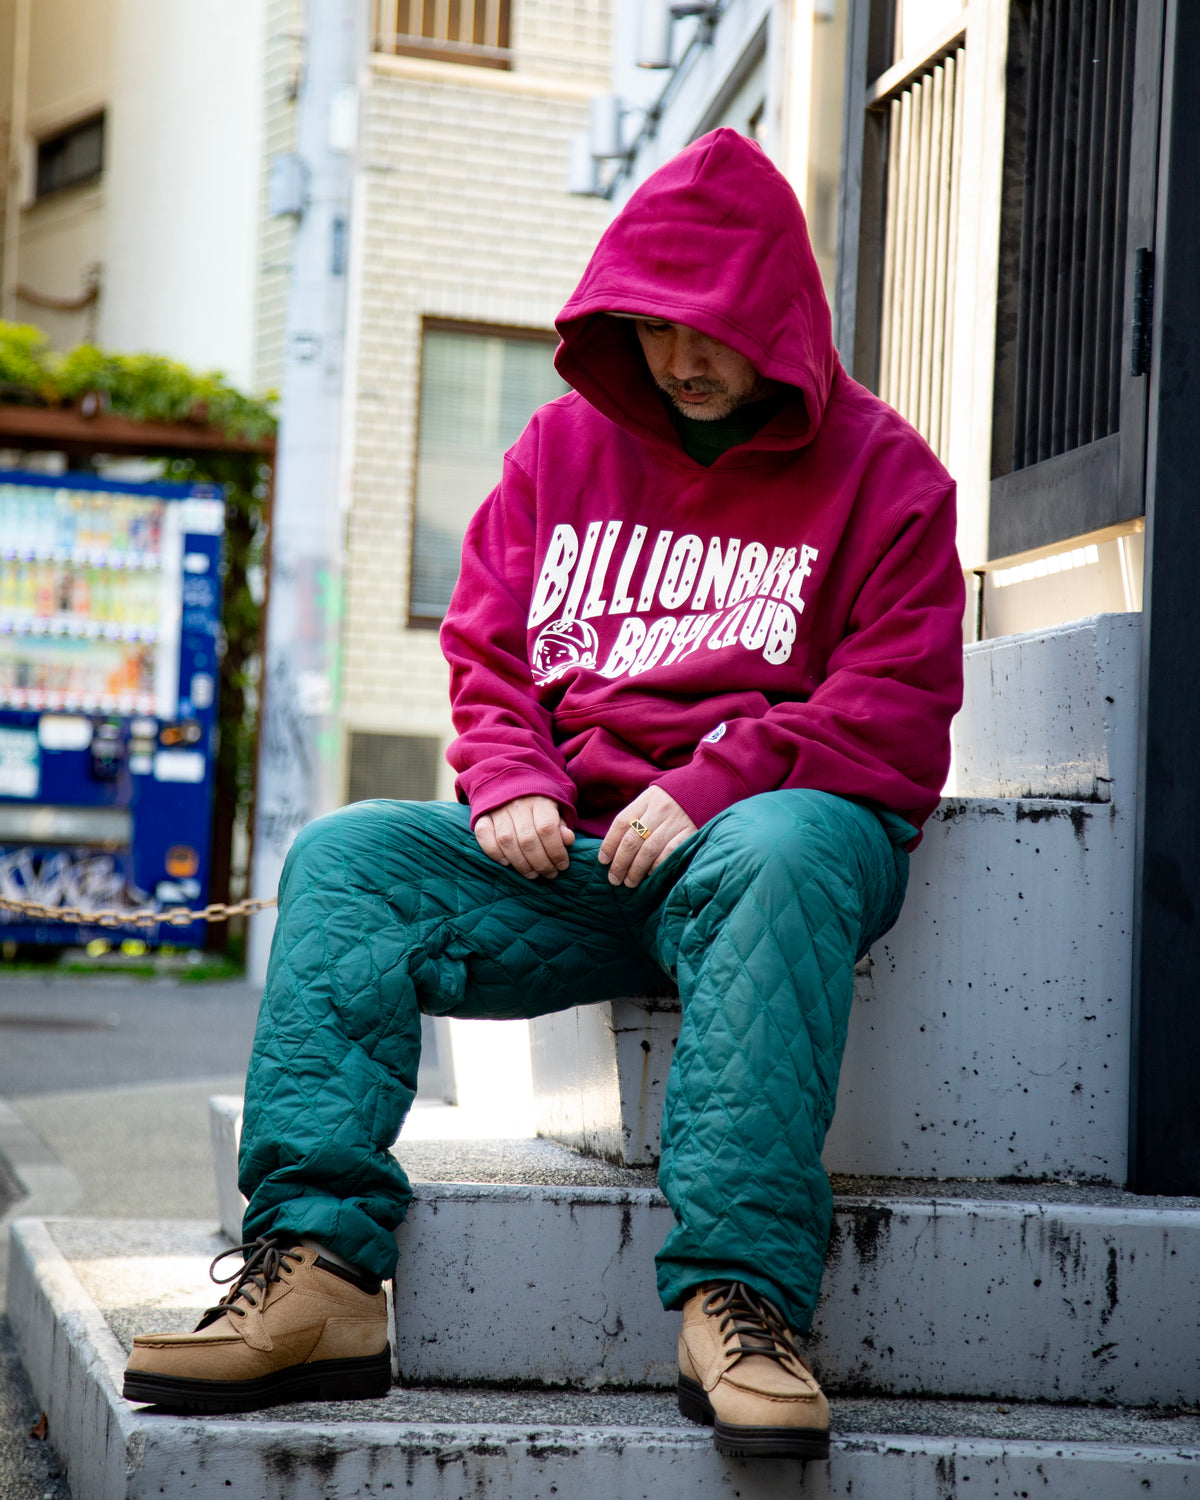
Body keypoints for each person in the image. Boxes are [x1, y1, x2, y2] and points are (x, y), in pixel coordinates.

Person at [123, 128, 964, 1461]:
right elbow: (487, 644)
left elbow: (899, 705)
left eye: (707, 328)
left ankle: (740, 1306)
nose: (677, 359)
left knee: (787, 845)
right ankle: (319, 1279)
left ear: (777, 313)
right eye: (650, 326)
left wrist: (719, 780)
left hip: (753, 854)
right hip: (567, 857)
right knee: (346, 858)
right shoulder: (562, 447)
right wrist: (510, 772)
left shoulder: (887, 476)